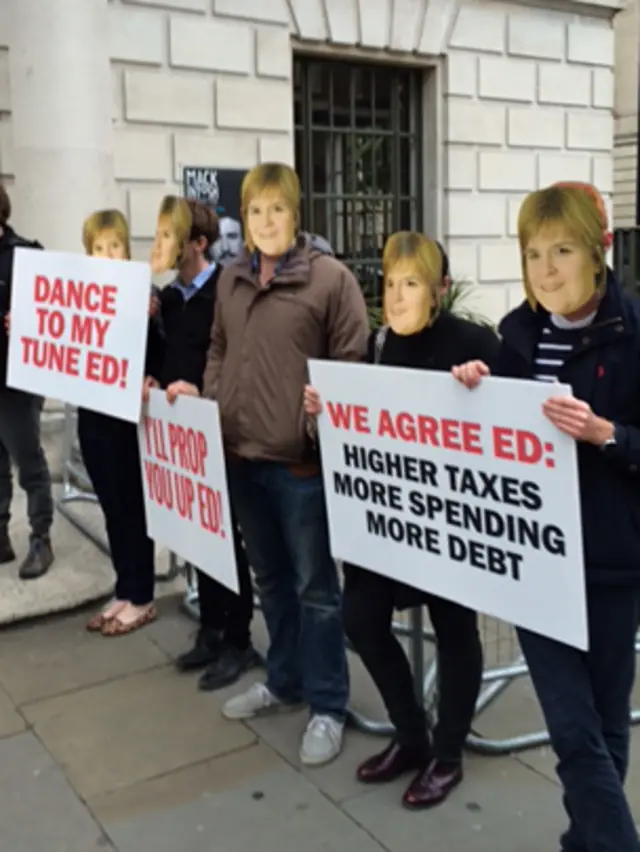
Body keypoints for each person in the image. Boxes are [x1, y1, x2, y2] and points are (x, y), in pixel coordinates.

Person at [453, 183, 640, 852]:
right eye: (533, 253)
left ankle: (585, 841)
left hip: (613, 566)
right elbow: (485, 433)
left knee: (606, 724)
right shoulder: (516, 335)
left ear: (600, 249)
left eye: (562, 250)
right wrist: (474, 388)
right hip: (536, 565)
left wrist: (605, 434)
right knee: (571, 728)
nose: (547, 268)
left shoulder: (633, 332)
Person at [178, 162, 369, 765]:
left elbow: (351, 364)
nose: (265, 222)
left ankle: (329, 705)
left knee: (317, 590)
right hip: (241, 458)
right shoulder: (232, 280)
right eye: (255, 211)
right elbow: (218, 347)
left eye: (276, 210)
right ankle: (284, 681)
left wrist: (315, 425)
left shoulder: (330, 281)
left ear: (295, 214)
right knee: (271, 582)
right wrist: (213, 400)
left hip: (299, 467)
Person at [304, 232, 499, 807]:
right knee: (361, 619)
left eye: (411, 282)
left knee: (455, 630)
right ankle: (411, 734)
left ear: (439, 289)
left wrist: (481, 388)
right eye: (390, 283)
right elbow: (355, 432)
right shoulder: (378, 344)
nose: (396, 294)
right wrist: (323, 413)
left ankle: (448, 753)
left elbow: (515, 428)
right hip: (391, 524)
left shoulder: (473, 342)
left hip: (451, 522)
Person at [144, 198, 259, 691]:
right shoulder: (168, 299)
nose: (161, 244)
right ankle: (211, 629)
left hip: (219, 432)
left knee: (227, 541)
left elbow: (236, 361)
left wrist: (203, 394)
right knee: (198, 537)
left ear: (198, 243)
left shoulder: (225, 293)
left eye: (171, 235)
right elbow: (163, 355)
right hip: (179, 437)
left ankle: (239, 639)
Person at [80, 209, 165, 636]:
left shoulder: (145, 296)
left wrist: (152, 323)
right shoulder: (78, 297)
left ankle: (143, 595)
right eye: (99, 247)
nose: (108, 254)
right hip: (92, 417)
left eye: (115, 245)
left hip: (126, 421)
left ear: (127, 248)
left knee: (132, 507)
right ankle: (125, 589)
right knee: (112, 508)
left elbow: (161, 359)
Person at [0, 182, 55, 579]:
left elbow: (53, 313)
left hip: (16, 382)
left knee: (28, 460)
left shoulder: (26, 256)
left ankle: (41, 537)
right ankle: (1, 533)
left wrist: (24, 323)